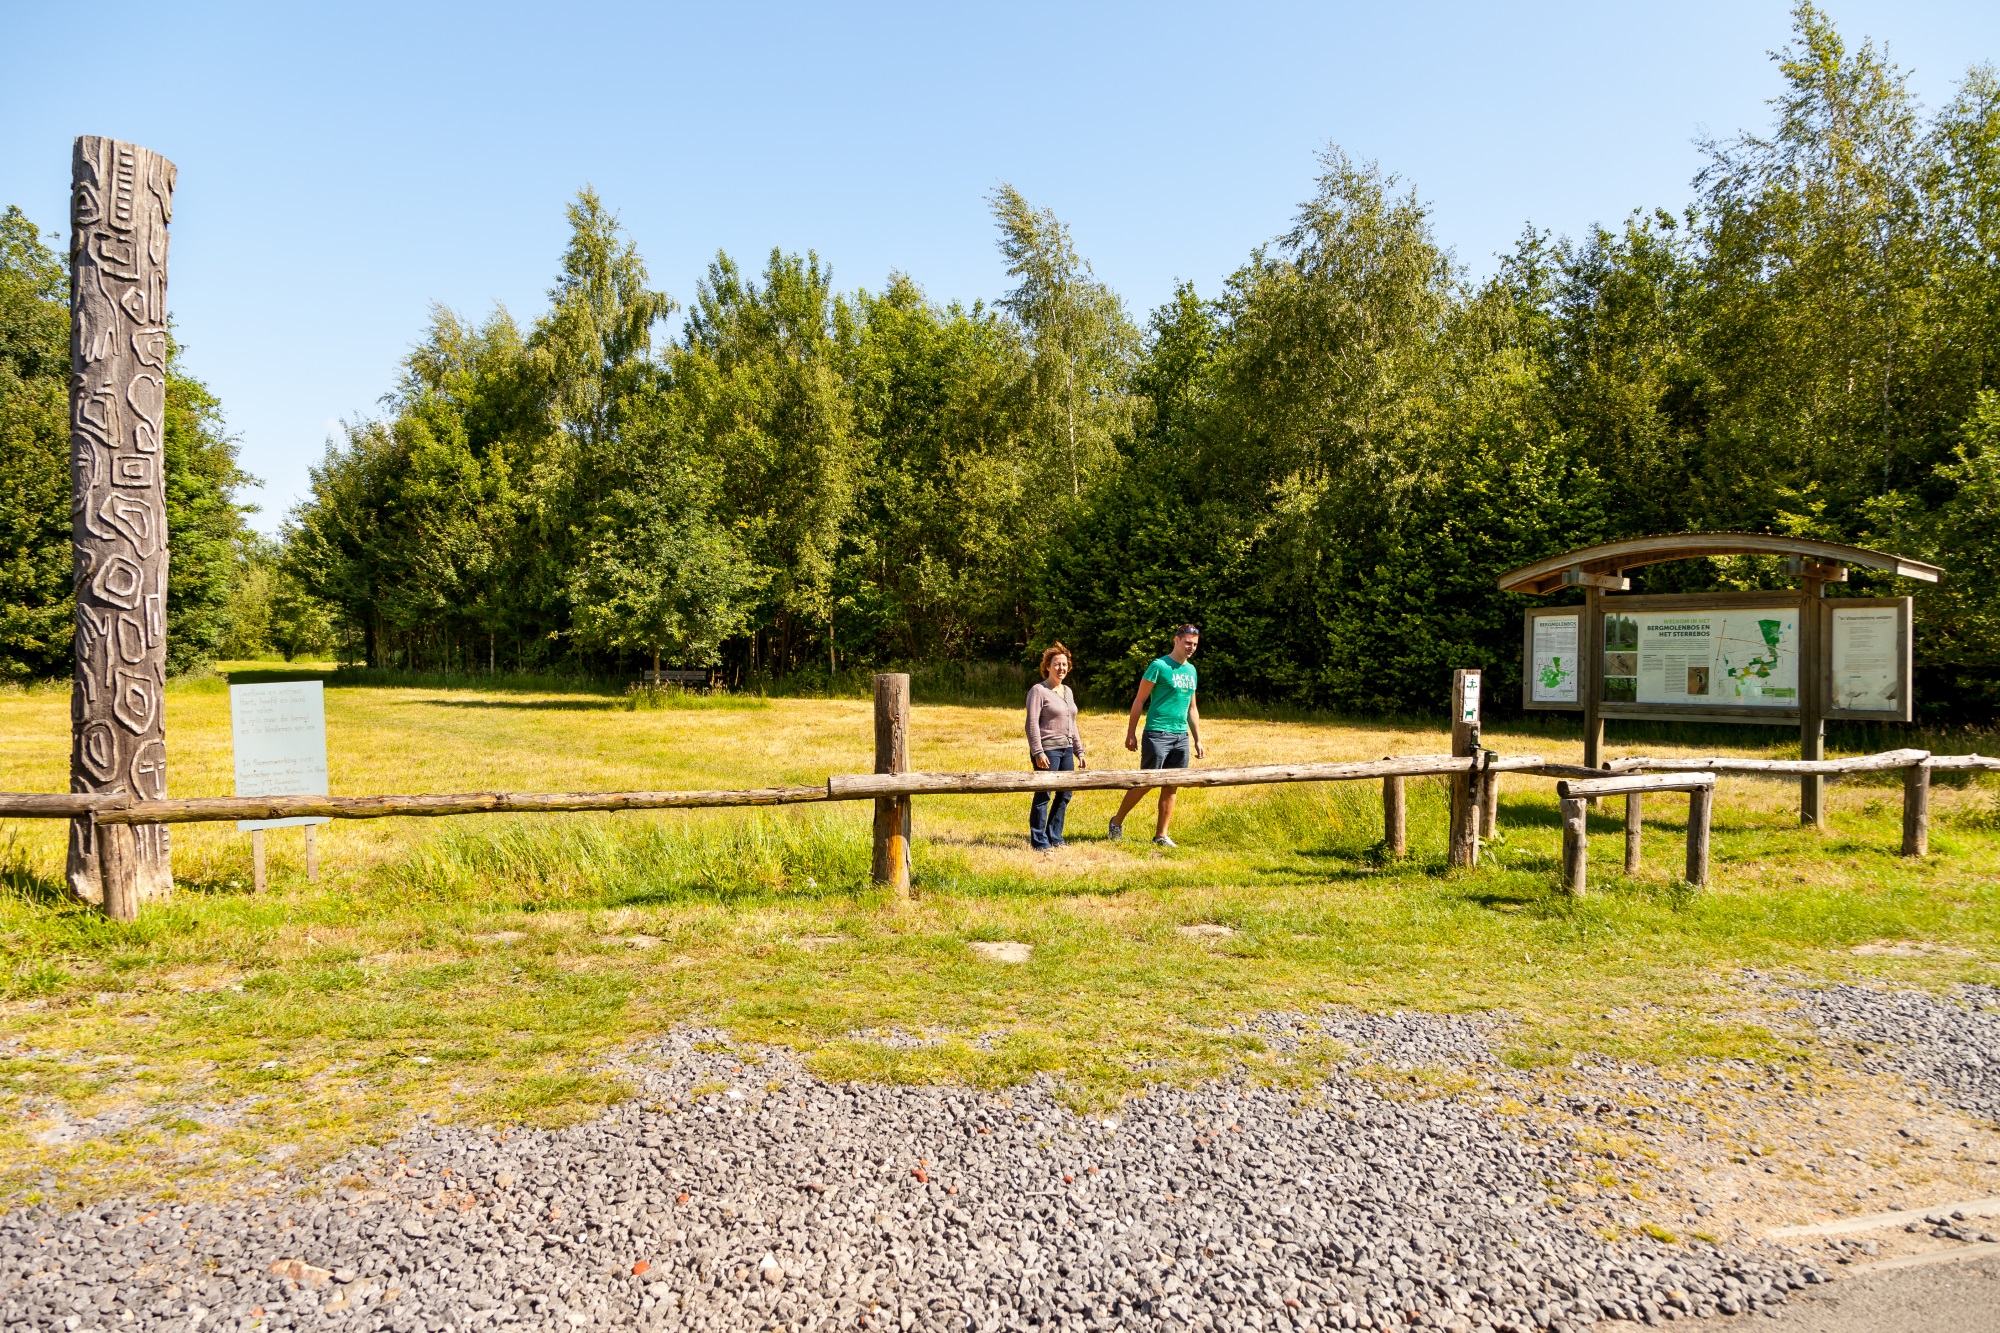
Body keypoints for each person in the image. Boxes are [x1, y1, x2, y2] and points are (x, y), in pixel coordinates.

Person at [1109, 624, 1204, 847]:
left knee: (1172, 785)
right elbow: (1139, 700)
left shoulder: (1191, 671)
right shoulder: (1159, 666)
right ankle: (1116, 822)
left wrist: (1197, 738)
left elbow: (1192, 708)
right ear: (1177, 640)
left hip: (1180, 736)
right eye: (1188, 643)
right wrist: (1130, 733)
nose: (1191, 648)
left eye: (1195, 645)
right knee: (1145, 782)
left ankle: (1161, 835)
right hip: (1157, 733)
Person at [1025, 643, 1086, 851]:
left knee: (1065, 794)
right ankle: (1039, 841)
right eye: (1056, 664)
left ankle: (1055, 836)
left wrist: (1079, 750)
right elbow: (1031, 723)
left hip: (1066, 749)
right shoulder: (1038, 691)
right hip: (1048, 750)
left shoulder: (1067, 691)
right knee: (1044, 794)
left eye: (1064, 664)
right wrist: (1038, 751)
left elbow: (1072, 722)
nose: (1061, 668)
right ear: (1048, 667)